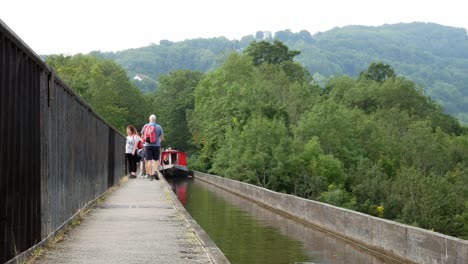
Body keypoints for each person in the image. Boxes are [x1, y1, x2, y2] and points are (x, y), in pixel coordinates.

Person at [141, 114, 164, 181]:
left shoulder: (145, 126)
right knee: (156, 160)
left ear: (149, 119)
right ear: (155, 119)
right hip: (156, 145)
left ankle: (150, 175)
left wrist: (145, 141)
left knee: (149, 160)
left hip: (147, 146)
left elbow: (142, 137)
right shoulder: (159, 127)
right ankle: (154, 172)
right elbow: (162, 138)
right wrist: (159, 140)